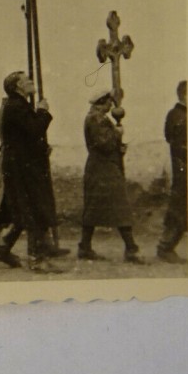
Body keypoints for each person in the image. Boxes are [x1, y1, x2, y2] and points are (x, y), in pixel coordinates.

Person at [0, 71, 61, 273]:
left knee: (22, 211)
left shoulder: (17, 105)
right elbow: (34, 130)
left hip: (22, 164)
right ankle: (37, 260)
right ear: (17, 86)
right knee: (34, 208)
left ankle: (2, 249)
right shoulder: (16, 106)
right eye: (26, 80)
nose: (31, 81)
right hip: (22, 167)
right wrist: (43, 112)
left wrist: (41, 148)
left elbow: (25, 137)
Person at [77, 90, 144, 264]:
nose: (111, 106)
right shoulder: (96, 118)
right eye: (109, 102)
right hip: (103, 168)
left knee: (94, 207)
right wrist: (117, 133)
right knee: (119, 205)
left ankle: (85, 247)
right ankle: (131, 249)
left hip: (101, 167)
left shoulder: (97, 117)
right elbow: (104, 144)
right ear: (102, 102)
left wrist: (118, 147)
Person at [157, 81, 188, 263]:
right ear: (185, 95)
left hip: (186, 167)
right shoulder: (178, 116)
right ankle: (165, 247)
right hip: (183, 168)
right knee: (179, 207)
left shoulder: (179, 114)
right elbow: (175, 142)